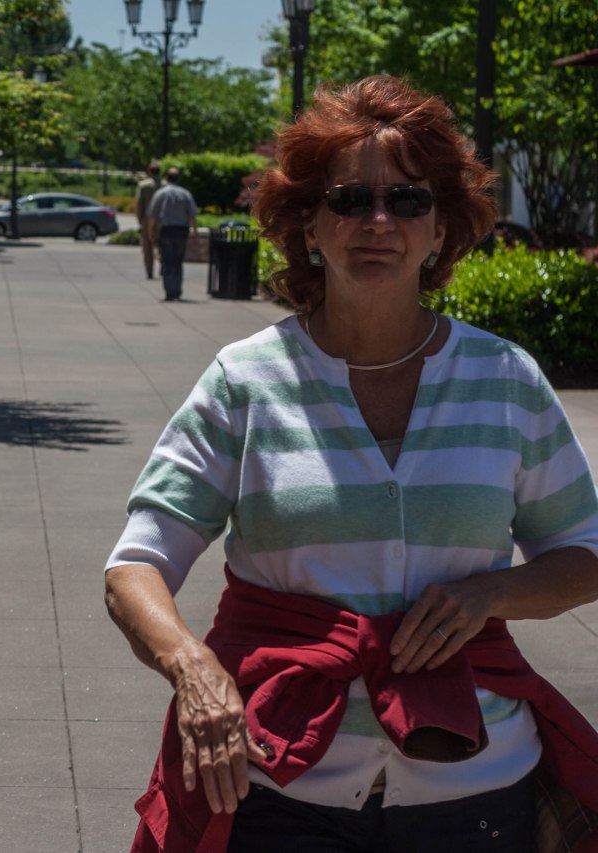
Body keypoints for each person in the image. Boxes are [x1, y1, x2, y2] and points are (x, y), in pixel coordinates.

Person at [105, 75, 598, 852]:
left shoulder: (506, 379)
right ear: (309, 225)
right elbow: (136, 565)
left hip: (474, 786)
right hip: (279, 783)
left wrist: (492, 593)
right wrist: (191, 666)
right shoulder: (245, 380)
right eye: (349, 199)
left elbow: (584, 552)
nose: (378, 221)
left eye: (407, 200)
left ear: (440, 230)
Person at [145, 166, 198, 301]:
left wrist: (150, 231)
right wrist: (194, 232)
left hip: (167, 230)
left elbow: (152, 215)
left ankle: (169, 291)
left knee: (167, 260)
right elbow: (192, 215)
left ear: (166, 178)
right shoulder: (185, 194)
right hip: (181, 230)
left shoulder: (160, 194)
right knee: (178, 261)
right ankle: (177, 291)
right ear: (178, 179)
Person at [135, 161, 162, 280]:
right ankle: (163, 269)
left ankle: (149, 271)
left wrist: (140, 219)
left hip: (147, 218)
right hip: (162, 219)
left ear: (149, 172)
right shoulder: (165, 185)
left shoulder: (143, 185)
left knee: (147, 247)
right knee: (162, 245)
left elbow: (139, 204)